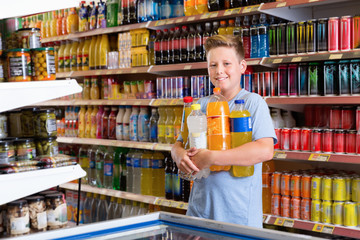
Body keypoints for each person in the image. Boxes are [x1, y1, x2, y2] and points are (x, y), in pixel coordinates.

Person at [171, 35, 277, 228]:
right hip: (199, 215)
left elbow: (265, 150)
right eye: (213, 65)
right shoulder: (200, 106)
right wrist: (178, 154)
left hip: (238, 219)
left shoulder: (253, 103)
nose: (219, 71)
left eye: (226, 63)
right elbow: (180, 142)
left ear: (242, 67)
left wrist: (212, 157)